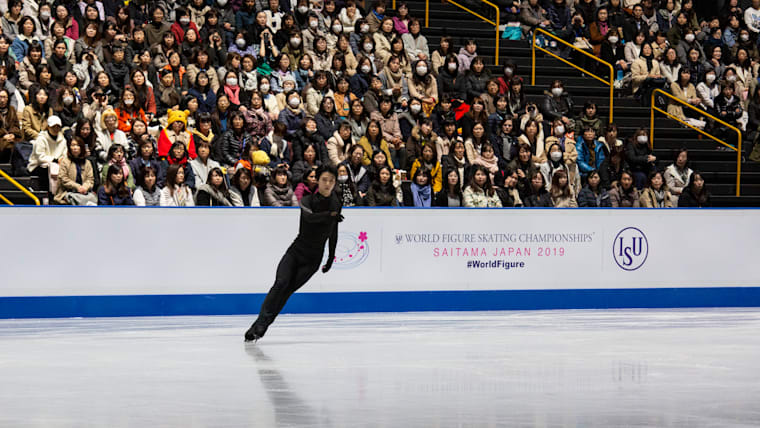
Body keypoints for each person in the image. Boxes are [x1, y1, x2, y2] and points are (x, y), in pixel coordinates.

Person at [244, 165, 343, 342]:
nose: (328, 184)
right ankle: (259, 324)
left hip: (313, 260)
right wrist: (330, 215)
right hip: (296, 252)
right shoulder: (306, 200)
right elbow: (310, 218)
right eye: (324, 180)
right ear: (317, 180)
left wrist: (331, 257)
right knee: (280, 284)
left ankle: (262, 326)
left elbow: (333, 231)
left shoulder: (336, 203)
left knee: (287, 291)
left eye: (331, 181)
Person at [27, 115, 66, 193]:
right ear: (48, 127)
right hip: (38, 165)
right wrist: (54, 160)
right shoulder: (41, 138)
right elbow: (40, 157)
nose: (56, 129)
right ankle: (46, 195)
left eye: (58, 127)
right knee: (45, 170)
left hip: (57, 165)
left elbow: (64, 154)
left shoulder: (62, 140)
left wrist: (60, 160)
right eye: (53, 127)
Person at [54, 138, 96, 205]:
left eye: (78, 145)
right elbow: (63, 179)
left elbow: (90, 179)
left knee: (93, 200)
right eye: (73, 145)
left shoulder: (87, 163)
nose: (75, 148)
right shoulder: (64, 161)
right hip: (67, 192)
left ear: (81, 148)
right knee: (80, 201)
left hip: (84, 192)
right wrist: (77, 187)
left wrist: (85, 187)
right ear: (69, 147)